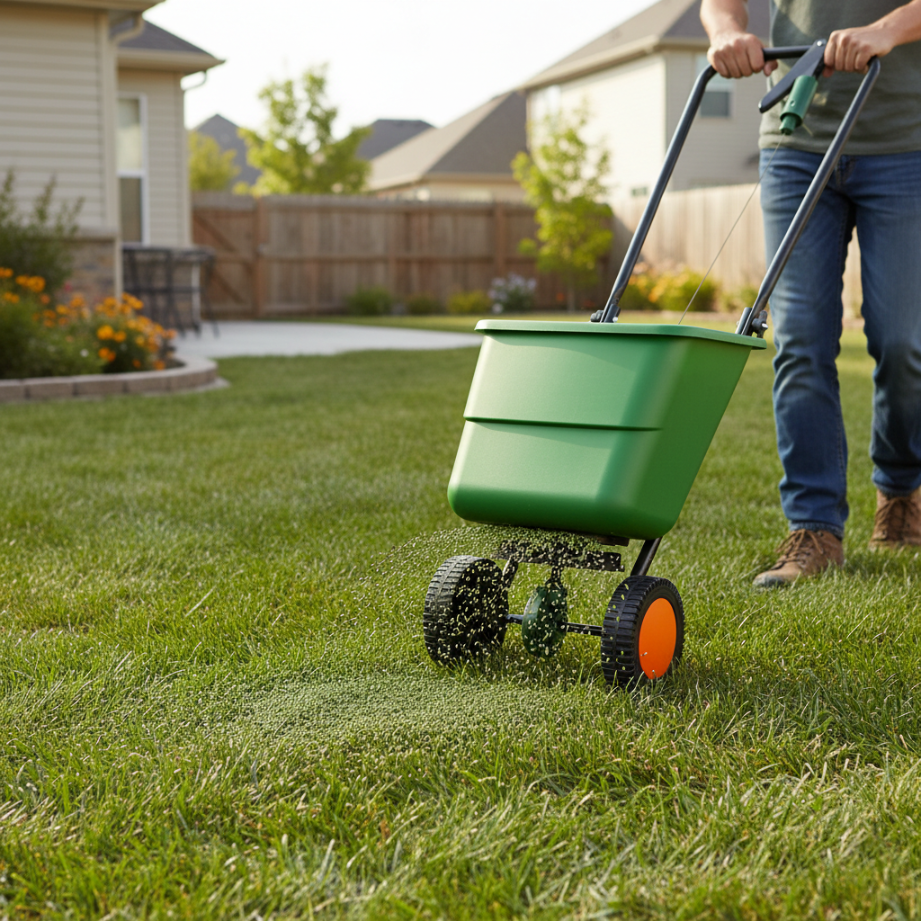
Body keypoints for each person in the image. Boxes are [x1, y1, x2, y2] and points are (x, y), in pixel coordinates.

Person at [700, 0, 921, 587]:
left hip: (905, 142)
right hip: (795, 139)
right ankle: (815, 527)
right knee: (799, 340)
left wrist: (886, 31)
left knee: (904, 342)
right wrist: (727, 32)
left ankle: (901, 488)